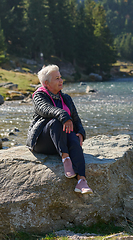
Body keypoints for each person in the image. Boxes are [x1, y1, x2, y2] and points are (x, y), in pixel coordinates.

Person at [26, 64, 93, 194]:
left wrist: (81, 133)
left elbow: (76, 119)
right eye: (56, 78)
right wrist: (63, 116)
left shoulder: (66, 98)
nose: (61, 80)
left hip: (62, 140)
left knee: (74, 138)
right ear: (46, 83)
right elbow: (46, 109)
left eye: (60, 77)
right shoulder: (39, 96)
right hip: (42, 141)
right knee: (56, 122)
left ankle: (81, 181)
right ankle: (65, 158)